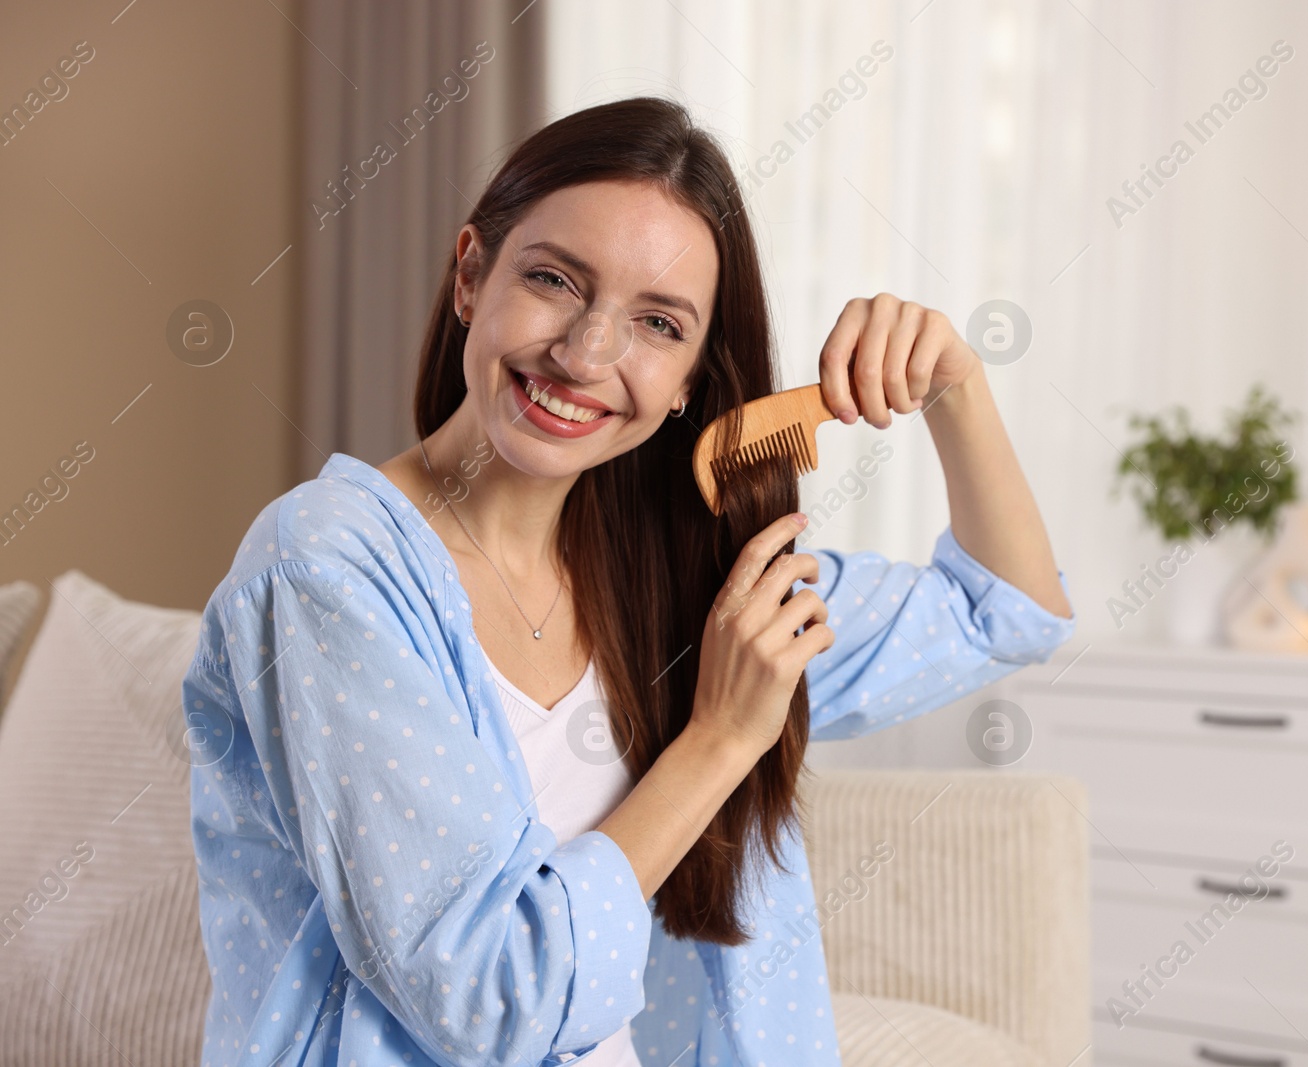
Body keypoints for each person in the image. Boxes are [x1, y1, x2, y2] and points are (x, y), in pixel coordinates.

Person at [182, 96, 1074, 1067]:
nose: (587, 352)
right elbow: (489, 995)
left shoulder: (686, 575)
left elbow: (1005, 613)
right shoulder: (326, 566)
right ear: (472, 274)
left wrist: (954, 387)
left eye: (657, 322)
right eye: (555, 279)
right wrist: (724, 736)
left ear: (692, 376)